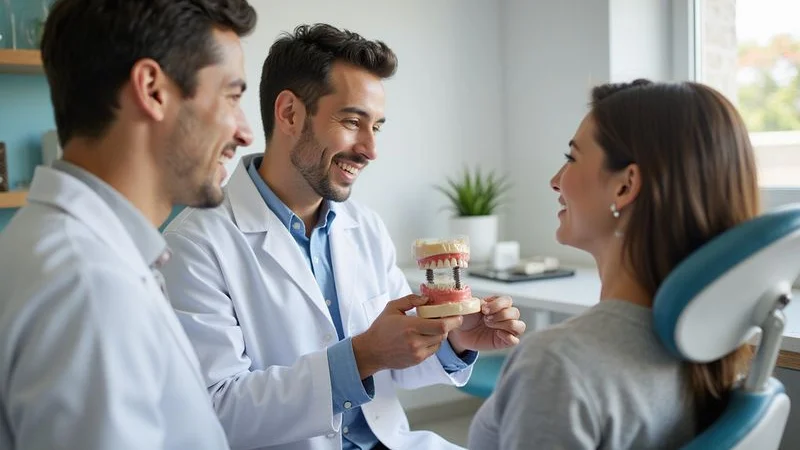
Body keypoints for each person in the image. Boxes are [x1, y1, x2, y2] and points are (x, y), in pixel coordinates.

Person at [160, 23, 526, 450]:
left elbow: (395, 360)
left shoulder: (364, 226)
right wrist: (361, 356)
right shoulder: (195, 243)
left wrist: (456, 339)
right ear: (290, 113)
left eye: (377, 127)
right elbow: (217, 413)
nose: (370, 150)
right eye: (353, 121)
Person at [0, 1, 256, 448]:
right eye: (232, 97)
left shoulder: (51, 246)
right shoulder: (90, 285)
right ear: (152, 89)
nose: (245, 131)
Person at [468, 79, 759, 449]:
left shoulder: (559, 365)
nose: (555, 181)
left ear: (625, 186)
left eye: (571, 158)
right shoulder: (713, 345)